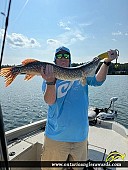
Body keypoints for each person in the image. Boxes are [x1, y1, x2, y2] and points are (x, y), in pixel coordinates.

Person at [41, 46, 118, 170]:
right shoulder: (49, 77)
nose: (63, 58)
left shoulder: (82, 74)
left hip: (80, 137)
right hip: (56, 137)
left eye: (66, 56)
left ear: (70, 59)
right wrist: (50, 82)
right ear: (54, 60)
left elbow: (99, 80)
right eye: (59, 56)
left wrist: (106, 62)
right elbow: (50, 101)